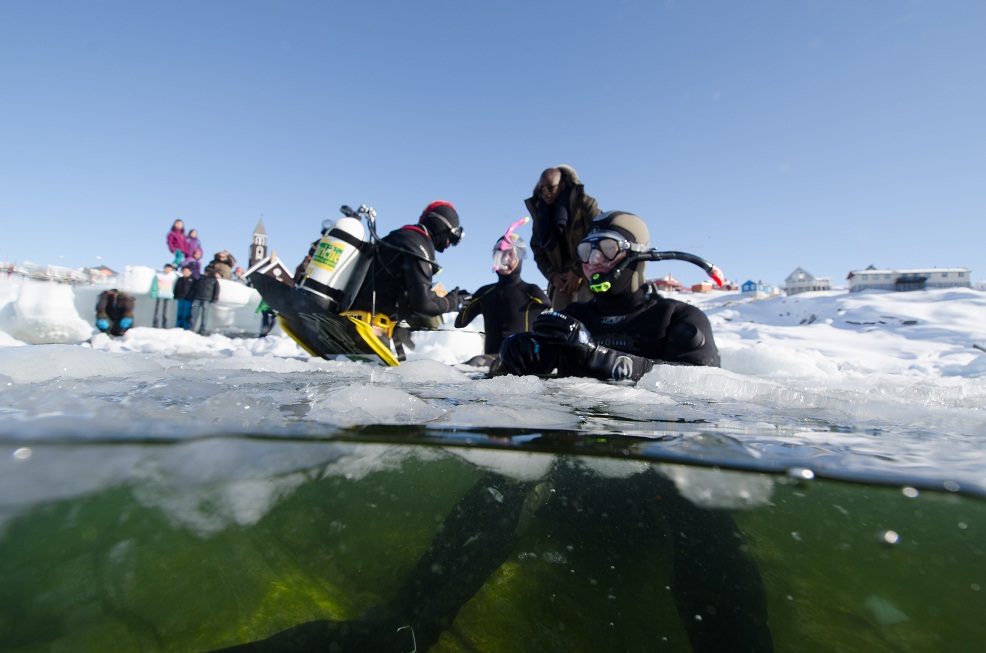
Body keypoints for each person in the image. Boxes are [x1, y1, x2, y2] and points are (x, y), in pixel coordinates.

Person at [491, 211, 720, 380]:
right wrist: (515, 360)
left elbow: (703, 390)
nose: (594, 261)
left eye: (608, 249)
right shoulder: (572, 318)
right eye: (587, 251)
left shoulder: (677, 319)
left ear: (638, 255)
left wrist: (599, 358)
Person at [348, 200, 468, 353]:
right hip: (370, 330)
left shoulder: (399, 236)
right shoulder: (419, 244)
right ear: (442, 227)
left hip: (353, 316)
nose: (448, 245)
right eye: (451, 237)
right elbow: (422, 304)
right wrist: (452, 302)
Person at [454, 229, 549, 368]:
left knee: (477, 363)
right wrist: (463, 303)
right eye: (500, 254)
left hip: (523, 360)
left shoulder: (532, 292)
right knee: (464, 367)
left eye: (511, 254)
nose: (505, 259)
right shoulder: (484, 293)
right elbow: (460, 323)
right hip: (492, 360)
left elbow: (552, 317)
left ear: (520, 258)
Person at [524, 165, 601, 310]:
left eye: (550, 188)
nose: (545, 193)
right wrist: (552, 276)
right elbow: (537, 250)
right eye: (542, 189)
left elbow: (599, 238)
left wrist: (578, 272)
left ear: (562, 185)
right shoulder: (540, 215)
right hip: (560, 277)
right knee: (559, 320)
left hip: (588, 270)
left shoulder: (585, 204)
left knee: (589, 316)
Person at [188, 264, 220, 335]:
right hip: (197, 298)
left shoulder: (214, 280)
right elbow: (194, 287)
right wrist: (191, 295)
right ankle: (191, 327)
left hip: (207, 299)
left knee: (204, 315)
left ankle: (202, 329)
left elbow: (216, 290)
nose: (206, 273)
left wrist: (215, 298)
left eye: (207, 271)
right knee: (194, 314)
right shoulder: (200, 278)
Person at [149, 263, 178, 328]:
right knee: (158, 312)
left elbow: (175, 286)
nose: (167, 270)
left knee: (166, 312)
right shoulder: (159, 275)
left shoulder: (173, 276)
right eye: (166, 268)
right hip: (159, 294)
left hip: (169, 295)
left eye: (169, 269)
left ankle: (165, 325)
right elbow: (154, 285)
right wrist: (154, 293)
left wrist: (174, 294)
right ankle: (155, 325)